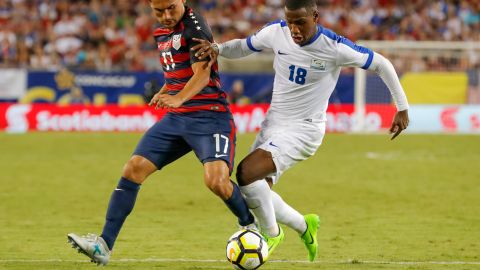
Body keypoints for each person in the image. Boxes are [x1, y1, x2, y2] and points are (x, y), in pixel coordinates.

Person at [192, 0, 410, 261]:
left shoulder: (334, 47)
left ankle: (272, 234)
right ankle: (305, 226)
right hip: (274, 124)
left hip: (304, 130)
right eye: (290, 21)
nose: (294, 29)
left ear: (315, 17)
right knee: (255, 192)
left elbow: (382, 64)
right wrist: (218, 49)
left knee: (246, 173)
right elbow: (244, 46)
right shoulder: (277, 32)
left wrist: (402, 107)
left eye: (300, 22)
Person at [67, 0, 254, 265]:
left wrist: (178, 99)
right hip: (177, 120)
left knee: (216, 181)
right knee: (133, 169)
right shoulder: (161, 32)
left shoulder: (195, 29)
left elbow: (201, 76)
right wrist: (166, 91)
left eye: (171, 9)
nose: (165, 16)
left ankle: (252, 226)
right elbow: (177, 72)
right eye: (158, 11)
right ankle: (103, 245)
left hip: (209, 117)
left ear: (182, 1)